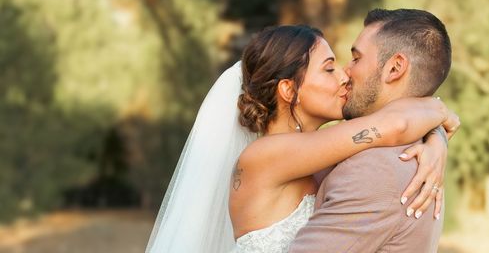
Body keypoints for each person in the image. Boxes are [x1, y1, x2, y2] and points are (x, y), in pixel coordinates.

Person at [145, 22, 458, 253]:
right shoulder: (264, 157)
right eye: (329, 68)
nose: (345, 76)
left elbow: (393, 127)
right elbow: (394, 126)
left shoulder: (315, 154)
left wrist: (435, 139)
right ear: (289, 90)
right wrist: (439, 118)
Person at [289, 8, 454, 252]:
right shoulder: (410, 150)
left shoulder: (376, 169)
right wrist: (438, 131)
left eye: (356, 58)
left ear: (395, 68)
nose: (346, 71)